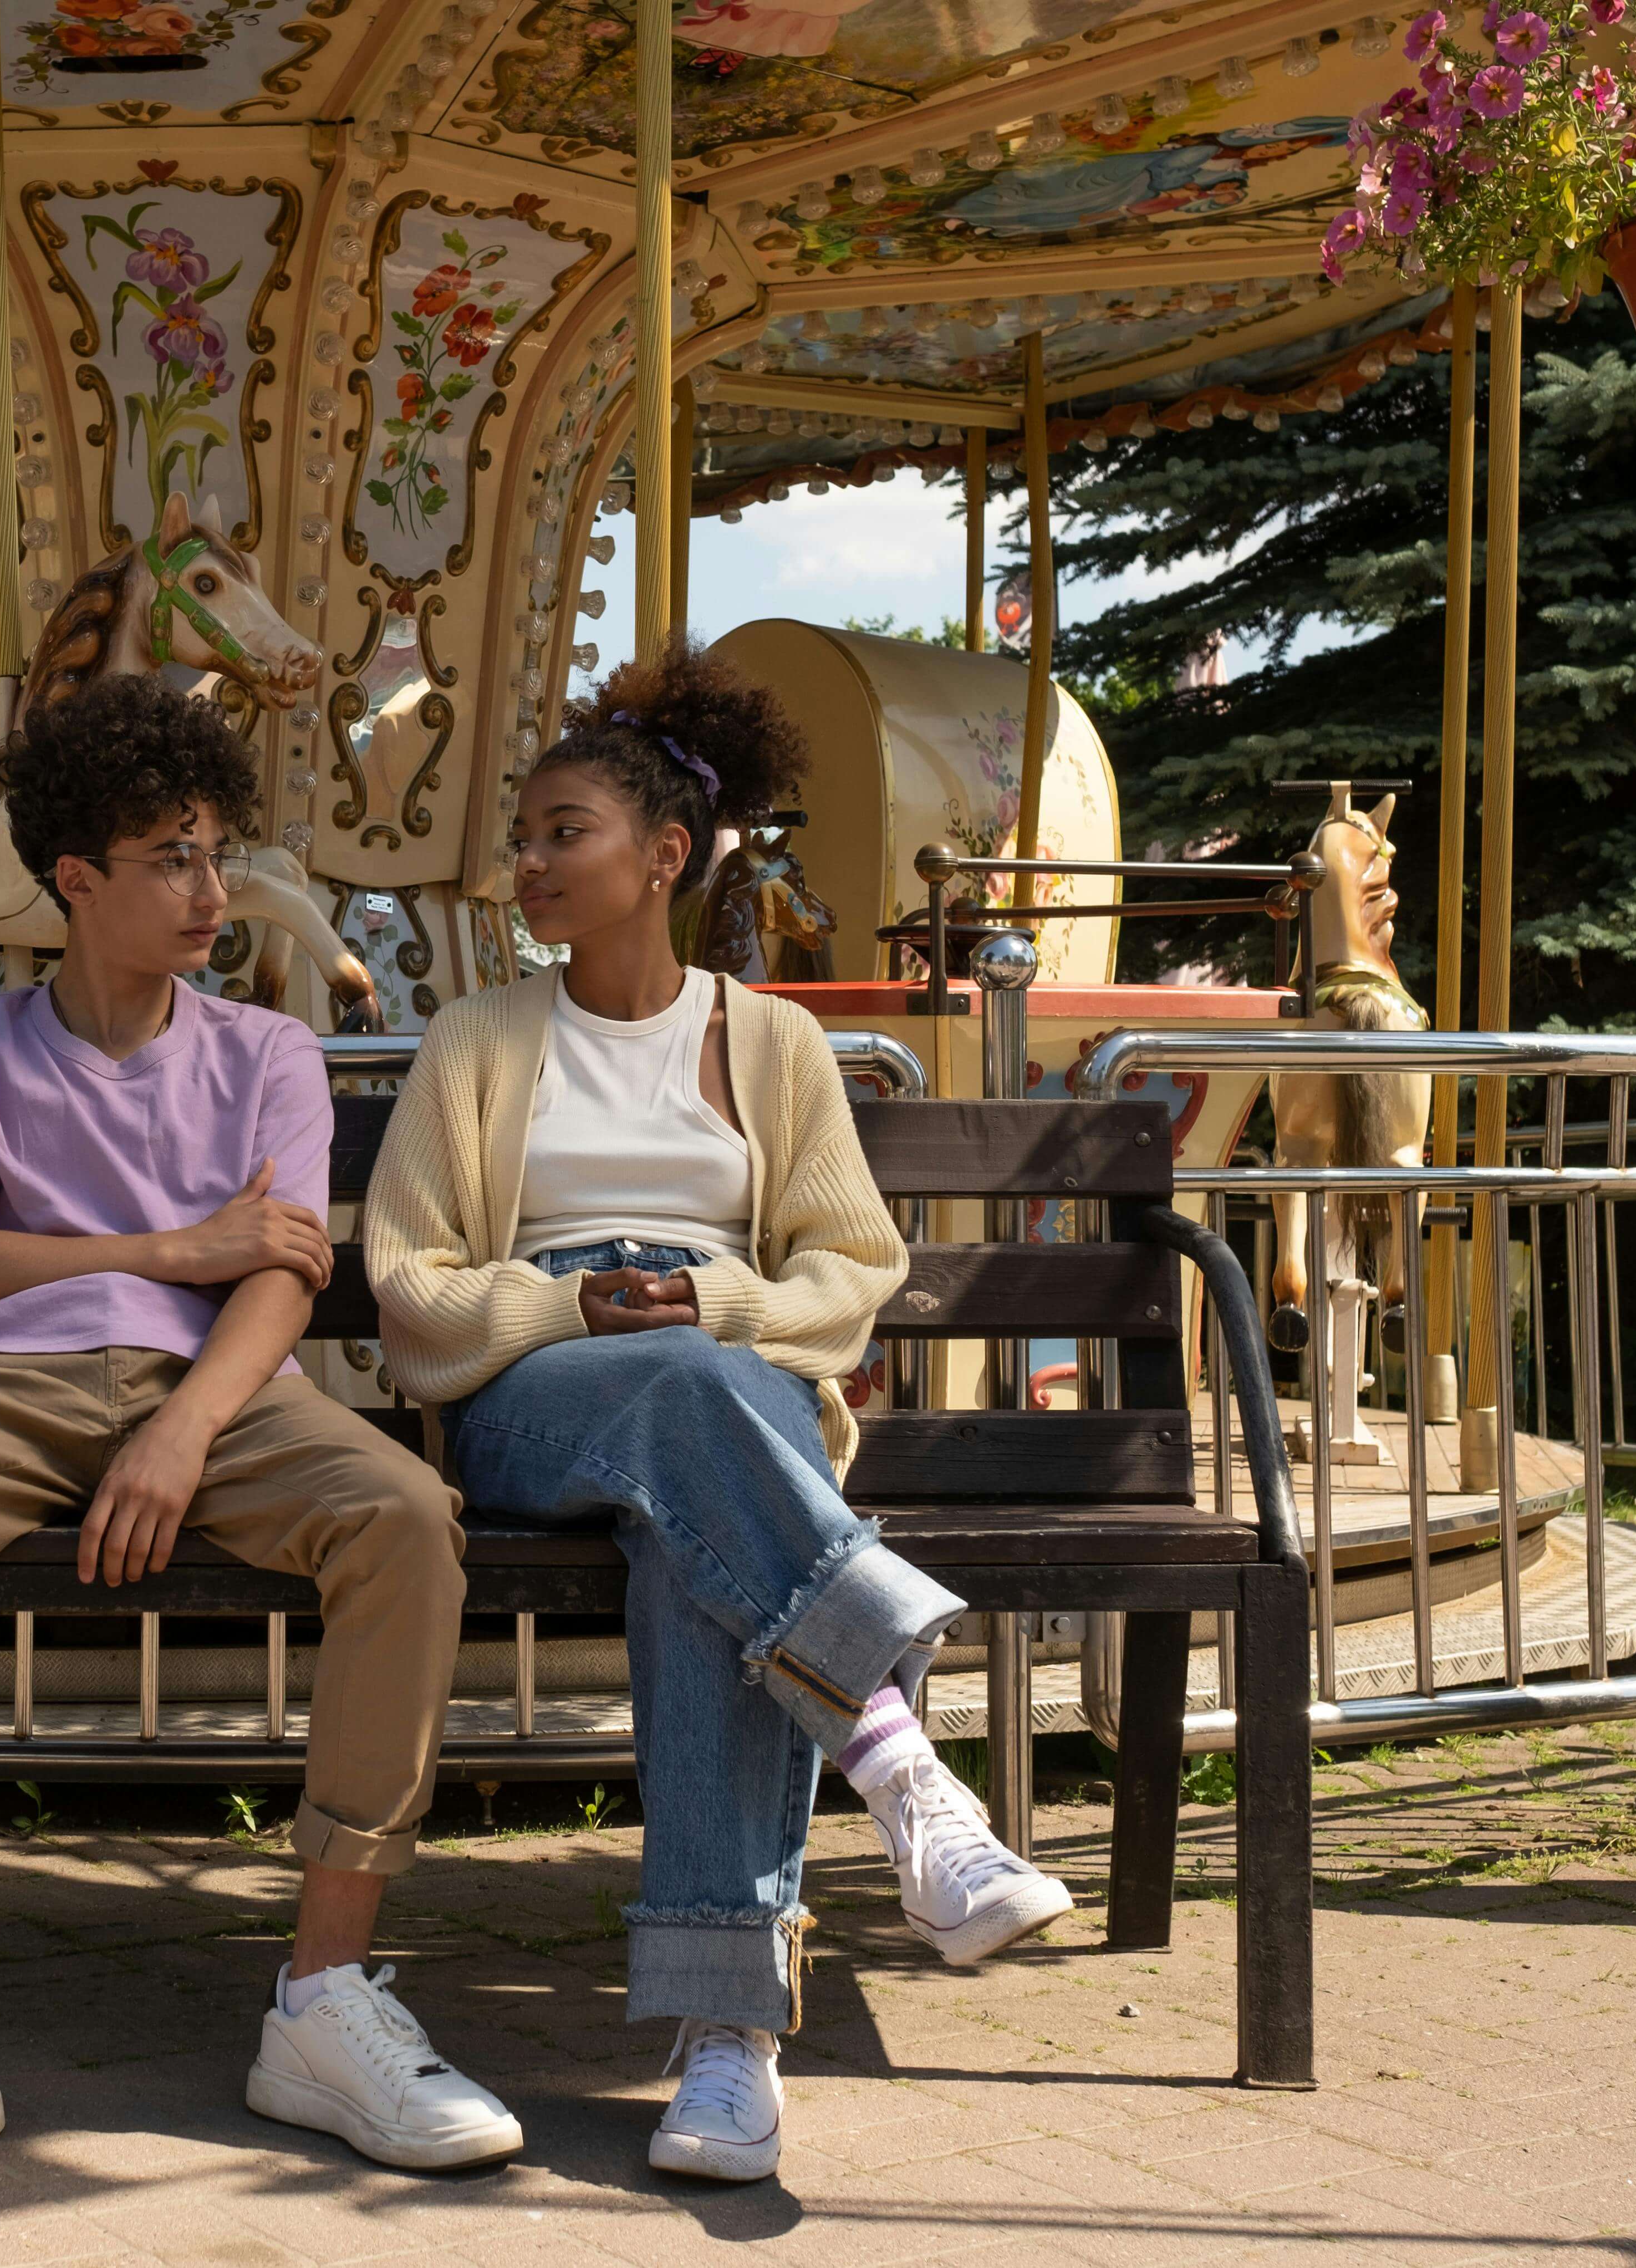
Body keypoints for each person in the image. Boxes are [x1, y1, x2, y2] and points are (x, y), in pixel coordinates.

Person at [0, 676, 517, 2197]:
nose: (213, 891)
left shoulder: (266, 1051)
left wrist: (180, 1429)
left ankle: (325, 1995)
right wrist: (164, 1247)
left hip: (222, 1394)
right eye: (170, 857)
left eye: (215, 850)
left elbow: (279, 1272)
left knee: (404, 1516)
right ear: (75, 878)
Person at [364, 641, 1072, 2187]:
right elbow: (411, 1282)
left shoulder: (772, 1043)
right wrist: (566, 1301)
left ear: (663, 857)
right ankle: (896, 1755)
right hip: (530, 1393)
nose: (530, 862)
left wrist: (722, 1304)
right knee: (686, 1405)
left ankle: (726, 2046)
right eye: (527, 835)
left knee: (699, 1559)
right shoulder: (480, 1040)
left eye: (566, 832)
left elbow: (851, 1268)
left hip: (725, 1390)